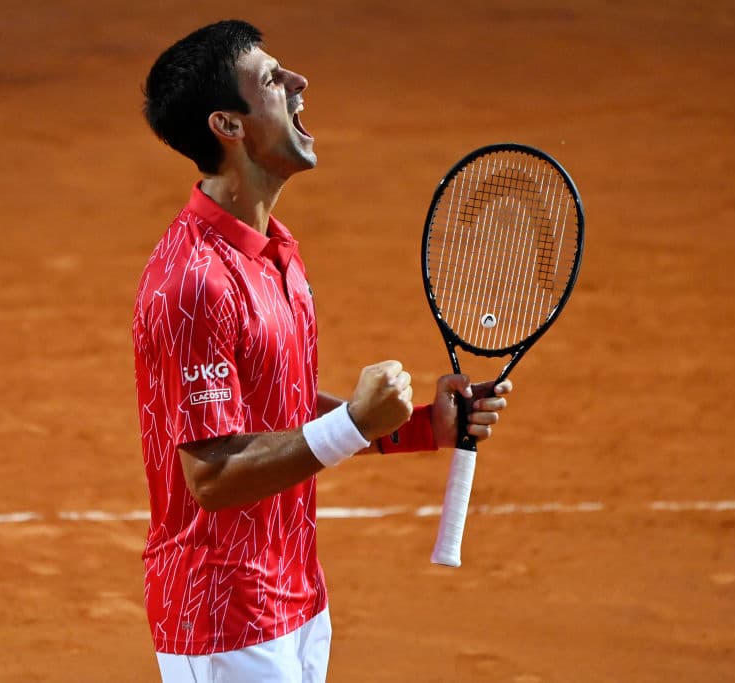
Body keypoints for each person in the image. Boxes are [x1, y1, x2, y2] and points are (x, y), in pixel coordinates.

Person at [133, 19, 512, 683]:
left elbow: (278, 407)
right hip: (224, 617)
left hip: (297, 597)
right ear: (229, 125)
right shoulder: (193, 283)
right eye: (273, 80)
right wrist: (356, 422)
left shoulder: (276, 251)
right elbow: (213, 476)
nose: (298, 82)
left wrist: (424, 425)